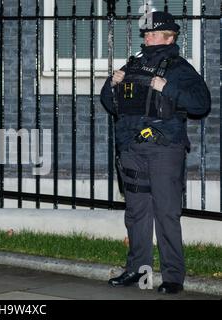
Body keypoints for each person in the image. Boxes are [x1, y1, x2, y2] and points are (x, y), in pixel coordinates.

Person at [100, 11, 210, 294]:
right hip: (132, 148)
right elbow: (112, 105)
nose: (146, 37)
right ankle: (138, 270)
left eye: (152, 33)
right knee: (136, 212)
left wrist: (168, 88)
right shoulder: (133, 64)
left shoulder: (180, 68)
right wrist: (111, 85)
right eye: (145, 33)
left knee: (166, 212)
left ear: (169, 37)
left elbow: (201, 104)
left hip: (164, 148)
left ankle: (173, 276)